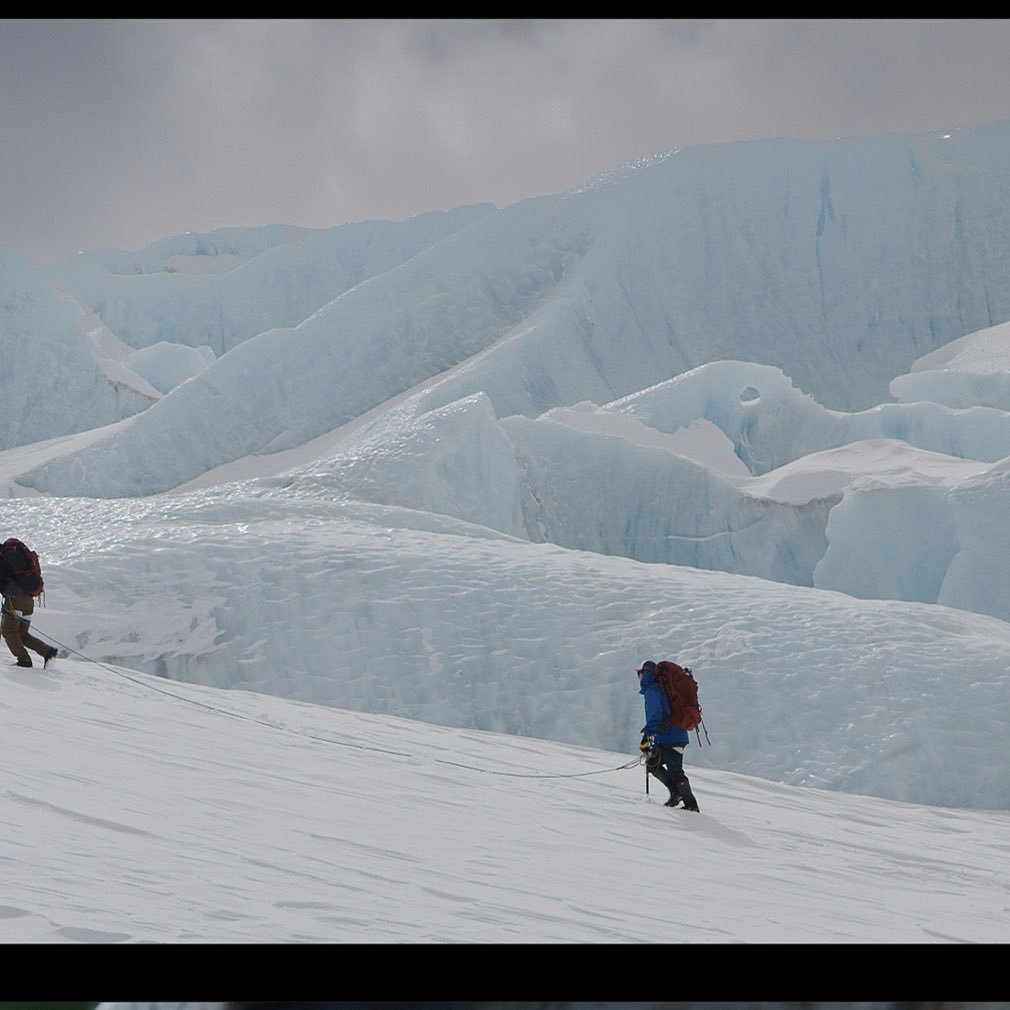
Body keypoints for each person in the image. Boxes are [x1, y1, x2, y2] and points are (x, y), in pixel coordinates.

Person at [637, 659, 700, 811]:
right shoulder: (661, 689)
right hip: (673, 736)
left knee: (673, 771)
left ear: (646, 673)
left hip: (670, 737)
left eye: (639, 673)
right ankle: (676, 793)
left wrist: (647, 734)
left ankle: (691, 804)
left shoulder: (653, 690)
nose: (638, 676)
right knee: (653, 764)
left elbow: (655, 715)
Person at [0, 549, 57, 669]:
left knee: (8, 631)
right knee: (21, 633)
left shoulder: (3, 557)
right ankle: (47, 651)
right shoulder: (15, 555)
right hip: (28, 600)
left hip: (15, 599)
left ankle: (24, 660)